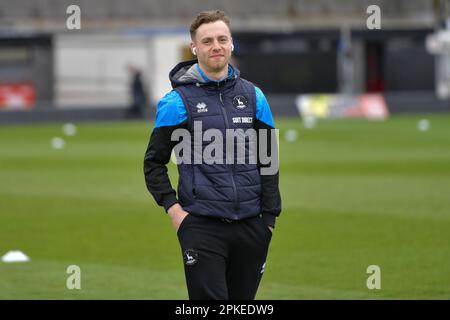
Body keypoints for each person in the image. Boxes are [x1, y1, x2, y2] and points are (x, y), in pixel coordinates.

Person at [143, 10, 281, 300]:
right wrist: (174, 210)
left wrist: (268, 218)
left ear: (232, 44)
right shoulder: (175, 102)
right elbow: (154, 163)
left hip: (252, 225)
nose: (216, 46)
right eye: (207, 41)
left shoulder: (254, 96)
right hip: (201, 226)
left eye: (222, 39)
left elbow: (269, 158)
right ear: (194, 48)